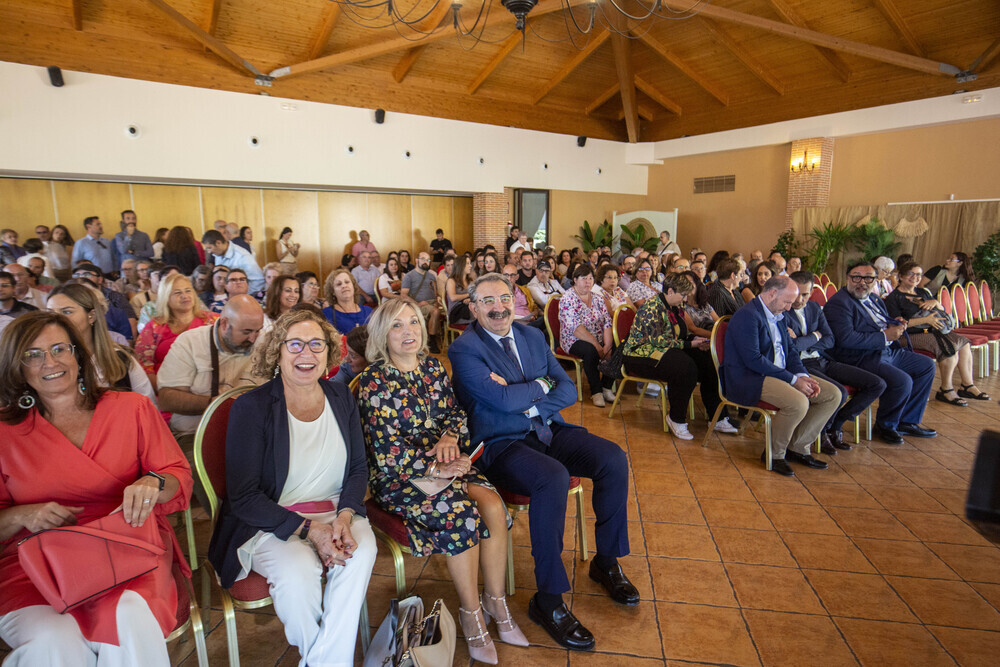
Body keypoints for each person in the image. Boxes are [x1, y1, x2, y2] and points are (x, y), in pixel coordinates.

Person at [448, 273, 637, 653]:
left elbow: (567, 387)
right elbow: (498, 405)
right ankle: (548, 600)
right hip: (501, 443)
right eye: (487, 301)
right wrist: (541, 387)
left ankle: (606, 560)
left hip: (547, 429)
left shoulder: (532, 335)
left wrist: (528, 396)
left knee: (613, 458)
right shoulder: (465, 349)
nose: (499, 308)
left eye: (504, 298)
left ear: (514, 300)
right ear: (473, 307)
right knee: (553, 477)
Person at [0, 311, 192, 666]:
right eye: (33, 354)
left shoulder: (131, 408)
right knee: (51, 642)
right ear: (17, 366)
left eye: (60, 348)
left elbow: (177, 476)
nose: (50, 362)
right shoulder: (4, 431)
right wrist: (23, 514)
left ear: (77, 354)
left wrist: (153, 482)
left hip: (127, 549)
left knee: (128, 618)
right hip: (35, 563)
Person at [358, 299, 525, 663]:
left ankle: (495, 601)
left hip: (446, 463)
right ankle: (471, 614)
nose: (409, 332)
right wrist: (435, 469)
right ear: (382, 334)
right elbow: (386, 452)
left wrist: (450, 437)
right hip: (400, 477)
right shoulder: (374, 381)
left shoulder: (432, 367)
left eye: (414, 323)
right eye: (398, 326)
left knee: (494, 505)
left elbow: (454, 412)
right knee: (463, 515)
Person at [207, 309, 376, 665]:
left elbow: (358, 468)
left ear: (329, 352)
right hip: (271, 521)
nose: (307, 354)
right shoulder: (251, 407)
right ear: (277, 351)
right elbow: (244, 497)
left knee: (359, 551)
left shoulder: (341, 396)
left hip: (337, 509)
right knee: (299, 573)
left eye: (317, 344)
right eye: (295, 344)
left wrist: (344, 516)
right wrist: (310, 530)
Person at [724, 276, 841, 476]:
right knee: (798, 402)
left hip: (779, 372)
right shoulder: (748, 316)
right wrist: (793, 380)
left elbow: (791, 351)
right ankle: (774, 454)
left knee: (832, 395)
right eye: (787, 302)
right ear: (772, 293)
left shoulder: (779, 314)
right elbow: (753, 360)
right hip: (750, 377)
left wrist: (802, 375)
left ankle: (798, 447)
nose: (789, 308)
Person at [824, 261, 938, 445]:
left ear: (875, 280)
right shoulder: (839, 303)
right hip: (860, 357)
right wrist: (884, 335)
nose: (862, 282)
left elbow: (881, 323)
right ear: (847, 278)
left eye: (868, 278)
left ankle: (907, 421)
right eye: (856, 277)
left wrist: (894, 323)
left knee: (926, 366)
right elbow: (846, 339)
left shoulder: (875, 299)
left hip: (887, 351)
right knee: (902, 381)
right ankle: (886, 425)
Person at [622, 273, 737, 439]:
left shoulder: (675, 307)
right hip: (640, 353)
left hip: (665, 347)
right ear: (670, 291)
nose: (684, 299)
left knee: (709, 361)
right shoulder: (651, 307)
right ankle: (676, 418)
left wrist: (694, 339)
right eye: (682, 295)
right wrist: (690, 344)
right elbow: (659, 341)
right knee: (685, 368)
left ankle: (717, 417)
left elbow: (679, 335)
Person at [784, 271, 886, 452]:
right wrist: (815, 335)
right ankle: (822, 434)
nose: (800, 299)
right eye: (797, 293)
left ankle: (835, 423)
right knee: (838, 392)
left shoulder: (814, 308)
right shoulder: (784, 310)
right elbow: (791, 346)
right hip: (800, 366)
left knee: (876, 384)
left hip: (822, 360)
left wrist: (805, 340)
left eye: (805, 294)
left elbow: (830, 339)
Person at [156, 294, 263, 440]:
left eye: (258, 331)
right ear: (224, 324)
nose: (253, 338)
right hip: (194, 435)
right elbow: (166, 399)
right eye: (246, 332)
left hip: (249, 433)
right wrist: (215, 403)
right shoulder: (190, 343)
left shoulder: (264, 343)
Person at [885, 261, 989, 404]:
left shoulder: (922, 292)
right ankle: (946, 389)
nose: (915, 277)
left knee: (963, 343)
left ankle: (967, 385)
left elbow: (941, 311)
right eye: (911, 274)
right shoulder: (893, 298)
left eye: (918, 275)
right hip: (907, 335)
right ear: (901, 276)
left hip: (932, 330)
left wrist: (936, 303)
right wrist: (926, 320)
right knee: (947, 348)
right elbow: (895, 324)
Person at [47, 283, 156, 405]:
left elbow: (147, 407)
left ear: (91, 316)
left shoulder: (120, 360)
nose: (56, 319)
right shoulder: (45, 362)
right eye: (50, 312)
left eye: (66, 312)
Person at [135, 273, 218, 390]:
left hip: (209, 388)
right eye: (178, 293)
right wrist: (165, 392)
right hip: (166, 391)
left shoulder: (213, 321)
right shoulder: (154, 327)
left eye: (188, 291)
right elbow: (144, 367)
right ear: (166, 298)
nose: (185, 296)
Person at [559, 264, 615, 406]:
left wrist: (607, 344)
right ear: (575, 279)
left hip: (598, 336)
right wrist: (597, 345)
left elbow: (607, 321)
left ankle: (606, 386)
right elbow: (576, 328)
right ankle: (596, 392)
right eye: (584, 278)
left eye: (591, 278)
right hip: (573, 339)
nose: (588, 282)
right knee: (590, 351)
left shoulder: (598, 298)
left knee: (616, 347)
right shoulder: (567, 298)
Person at [400, 252, 443, 353]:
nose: (425, 262)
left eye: (428, 260)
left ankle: (430, 337)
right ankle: (432, 341)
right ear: (416, 260)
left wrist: (438, 300)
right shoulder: (409, 276)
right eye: (423, 259)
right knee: (435, 312)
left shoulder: (432, 275)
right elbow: (403, 295)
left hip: (432, 303)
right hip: (418, 305)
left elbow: (435, 292)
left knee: (439, 310)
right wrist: (417, 304)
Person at [201, 229, 265, 294]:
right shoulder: (217, 254)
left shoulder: (243, 256)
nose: (209, 252)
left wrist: (243, 296)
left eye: (209, 248)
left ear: (218, 243)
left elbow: (258, 281)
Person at [323, 267, 373, 332]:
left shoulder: (368, 311)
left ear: (353, 286)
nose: (344, 286)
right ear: (333, 292)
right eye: (339, 284)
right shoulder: (327, 314)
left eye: (347, 282)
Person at [681, 269, 718, 338]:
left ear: (696, 284)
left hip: (714, 335)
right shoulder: (681, 307)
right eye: (684, 283)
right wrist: (716, 336)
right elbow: (693, 329)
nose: (687, 286)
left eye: (690, 282)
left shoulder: (705, 304)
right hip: (699, 340)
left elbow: (718, 321)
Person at [446, 255, 475, 323]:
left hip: (469, 307)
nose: (470, 266)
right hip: (457, 312)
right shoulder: (451, 280)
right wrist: (468, 295)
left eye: (470, 263)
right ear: (461, 265)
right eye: (467, 263)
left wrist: (470, 299)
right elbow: (453, 297)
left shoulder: (470, 281)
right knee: (479, 314)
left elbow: (475, 294)